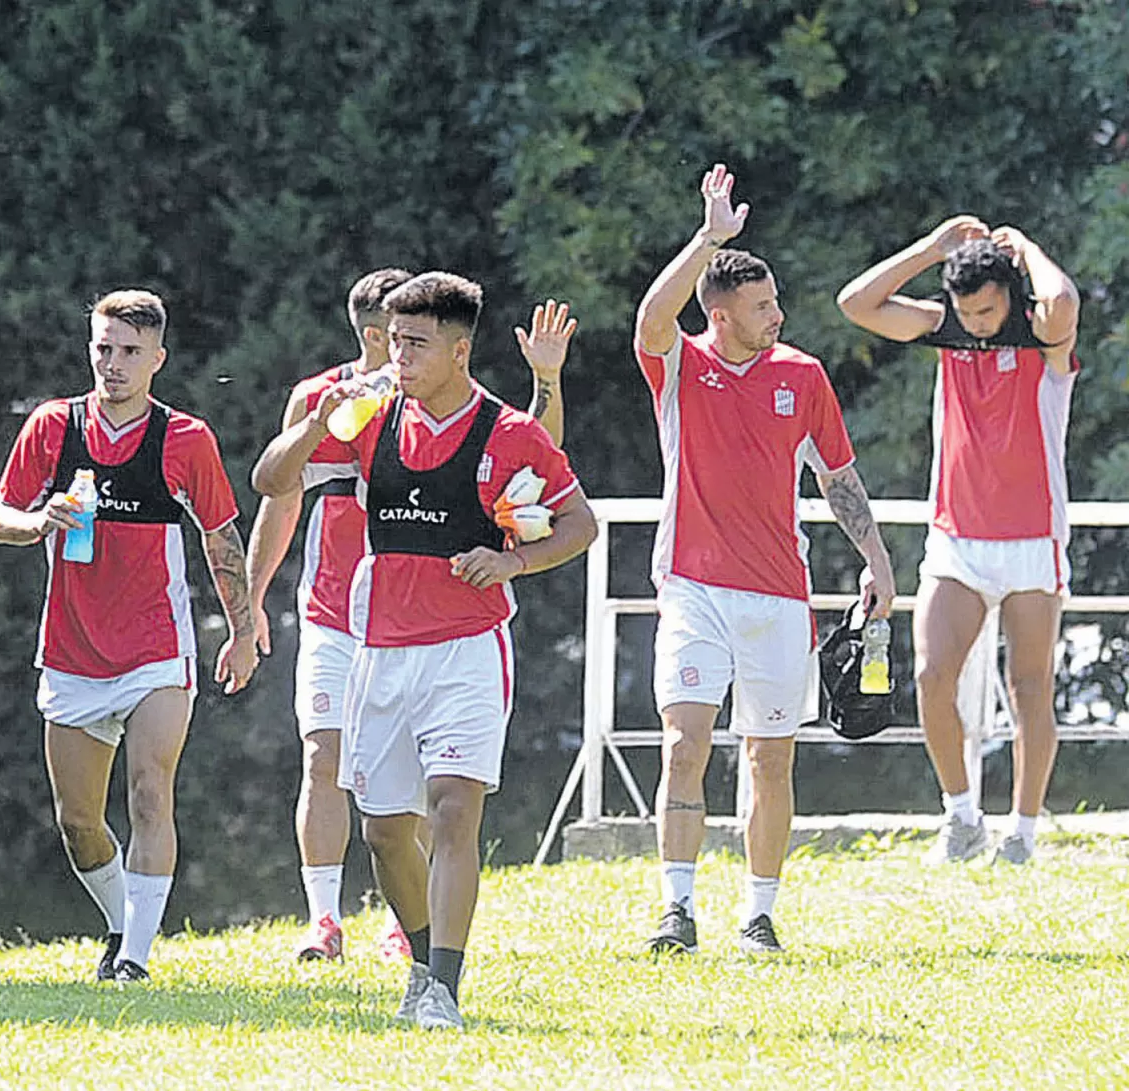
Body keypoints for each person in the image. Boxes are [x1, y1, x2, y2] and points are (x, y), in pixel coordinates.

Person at [252, 271, 596, 1029]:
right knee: (381, 829)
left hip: (468, 651)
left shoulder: (507, 432)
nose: (394, 356)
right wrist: (316, 424)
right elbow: (270, 479)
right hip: (379, 650)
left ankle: (443, 984)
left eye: (414, 343)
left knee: (451, 813)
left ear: (459, 350)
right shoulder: (369, 418)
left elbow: (579, 523)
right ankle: (419, 959)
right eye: (391, 339)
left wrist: (513, 561)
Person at [635, 164, 896, 956]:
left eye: (777, 302)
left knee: (769, 755)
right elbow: (651, 317)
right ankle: (676, 908)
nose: (776, 315)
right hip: (692, 588)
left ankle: (759, 913)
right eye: (760, 306)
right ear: (719, 314)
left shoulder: (804, 375)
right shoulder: (681, 365)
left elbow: (839, 478)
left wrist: (878, 561)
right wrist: (709, 237)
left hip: (783, 595)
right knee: (685, 743)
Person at [0, 289, 258, 982]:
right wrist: (42, 519)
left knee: (148, 791)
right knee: (78, 821)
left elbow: (222, 541)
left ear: (157, 359)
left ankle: (135, 957)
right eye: (104, 348)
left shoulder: (185, 439)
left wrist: (244, 629)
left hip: (155, 651)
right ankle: (119, 922)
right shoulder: (52, 426)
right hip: (73, 652)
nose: (113, 363)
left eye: (130, 351)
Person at [836, 216, 1080, 865]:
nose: (976, 321)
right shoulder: (943, 328)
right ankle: (962, 817)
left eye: (988, 308)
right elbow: (855, 304)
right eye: (967, 310)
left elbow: (1064, 301)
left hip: (1033, 538)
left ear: (1010, 295)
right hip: (957, 539)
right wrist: (930, 248)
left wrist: (1023, 245)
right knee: (930, 675)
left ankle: (1023, 833)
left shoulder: (1041, 336)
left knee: (1030, 686)